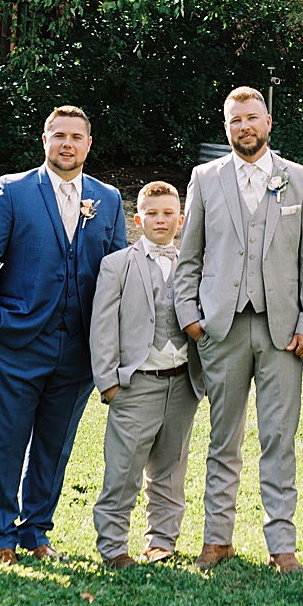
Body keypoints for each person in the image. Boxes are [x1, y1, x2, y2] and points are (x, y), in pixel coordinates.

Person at [174, 85, 303, 573]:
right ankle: (217, 538)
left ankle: (281, 544)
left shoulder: (299, 180)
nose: (245, 127)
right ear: (226, 126)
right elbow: (189, 256)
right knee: (224, 439)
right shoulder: (205, 177)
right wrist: (192, 318)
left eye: (252, 118)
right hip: (222, 327)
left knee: (279, 438)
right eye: (235, 119)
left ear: (268, 122)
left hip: (283, 332)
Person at [0, 104, 127, 563]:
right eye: (58, 135)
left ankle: (36, 531)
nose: (67, 144)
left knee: (55, 446)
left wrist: (108, 341)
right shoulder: (13, 190)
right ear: (44, 140)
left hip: (78, 347)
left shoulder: (108, 199)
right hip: (16, 341)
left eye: (76, 137)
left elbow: (117, 273)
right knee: (7, 440)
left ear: (88, 144)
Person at [89, 180, 205, 567]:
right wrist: (109, 385)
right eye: (152, 214)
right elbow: (103, 327)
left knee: (171, 469)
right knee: (123, 470)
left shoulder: (194, 265)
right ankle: (112, 546)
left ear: (181, 219)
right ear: (137, 219)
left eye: (169, 213)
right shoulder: (117, 265)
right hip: (135, 384)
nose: (161, 220)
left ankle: (161, 541)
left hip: (182, 383)